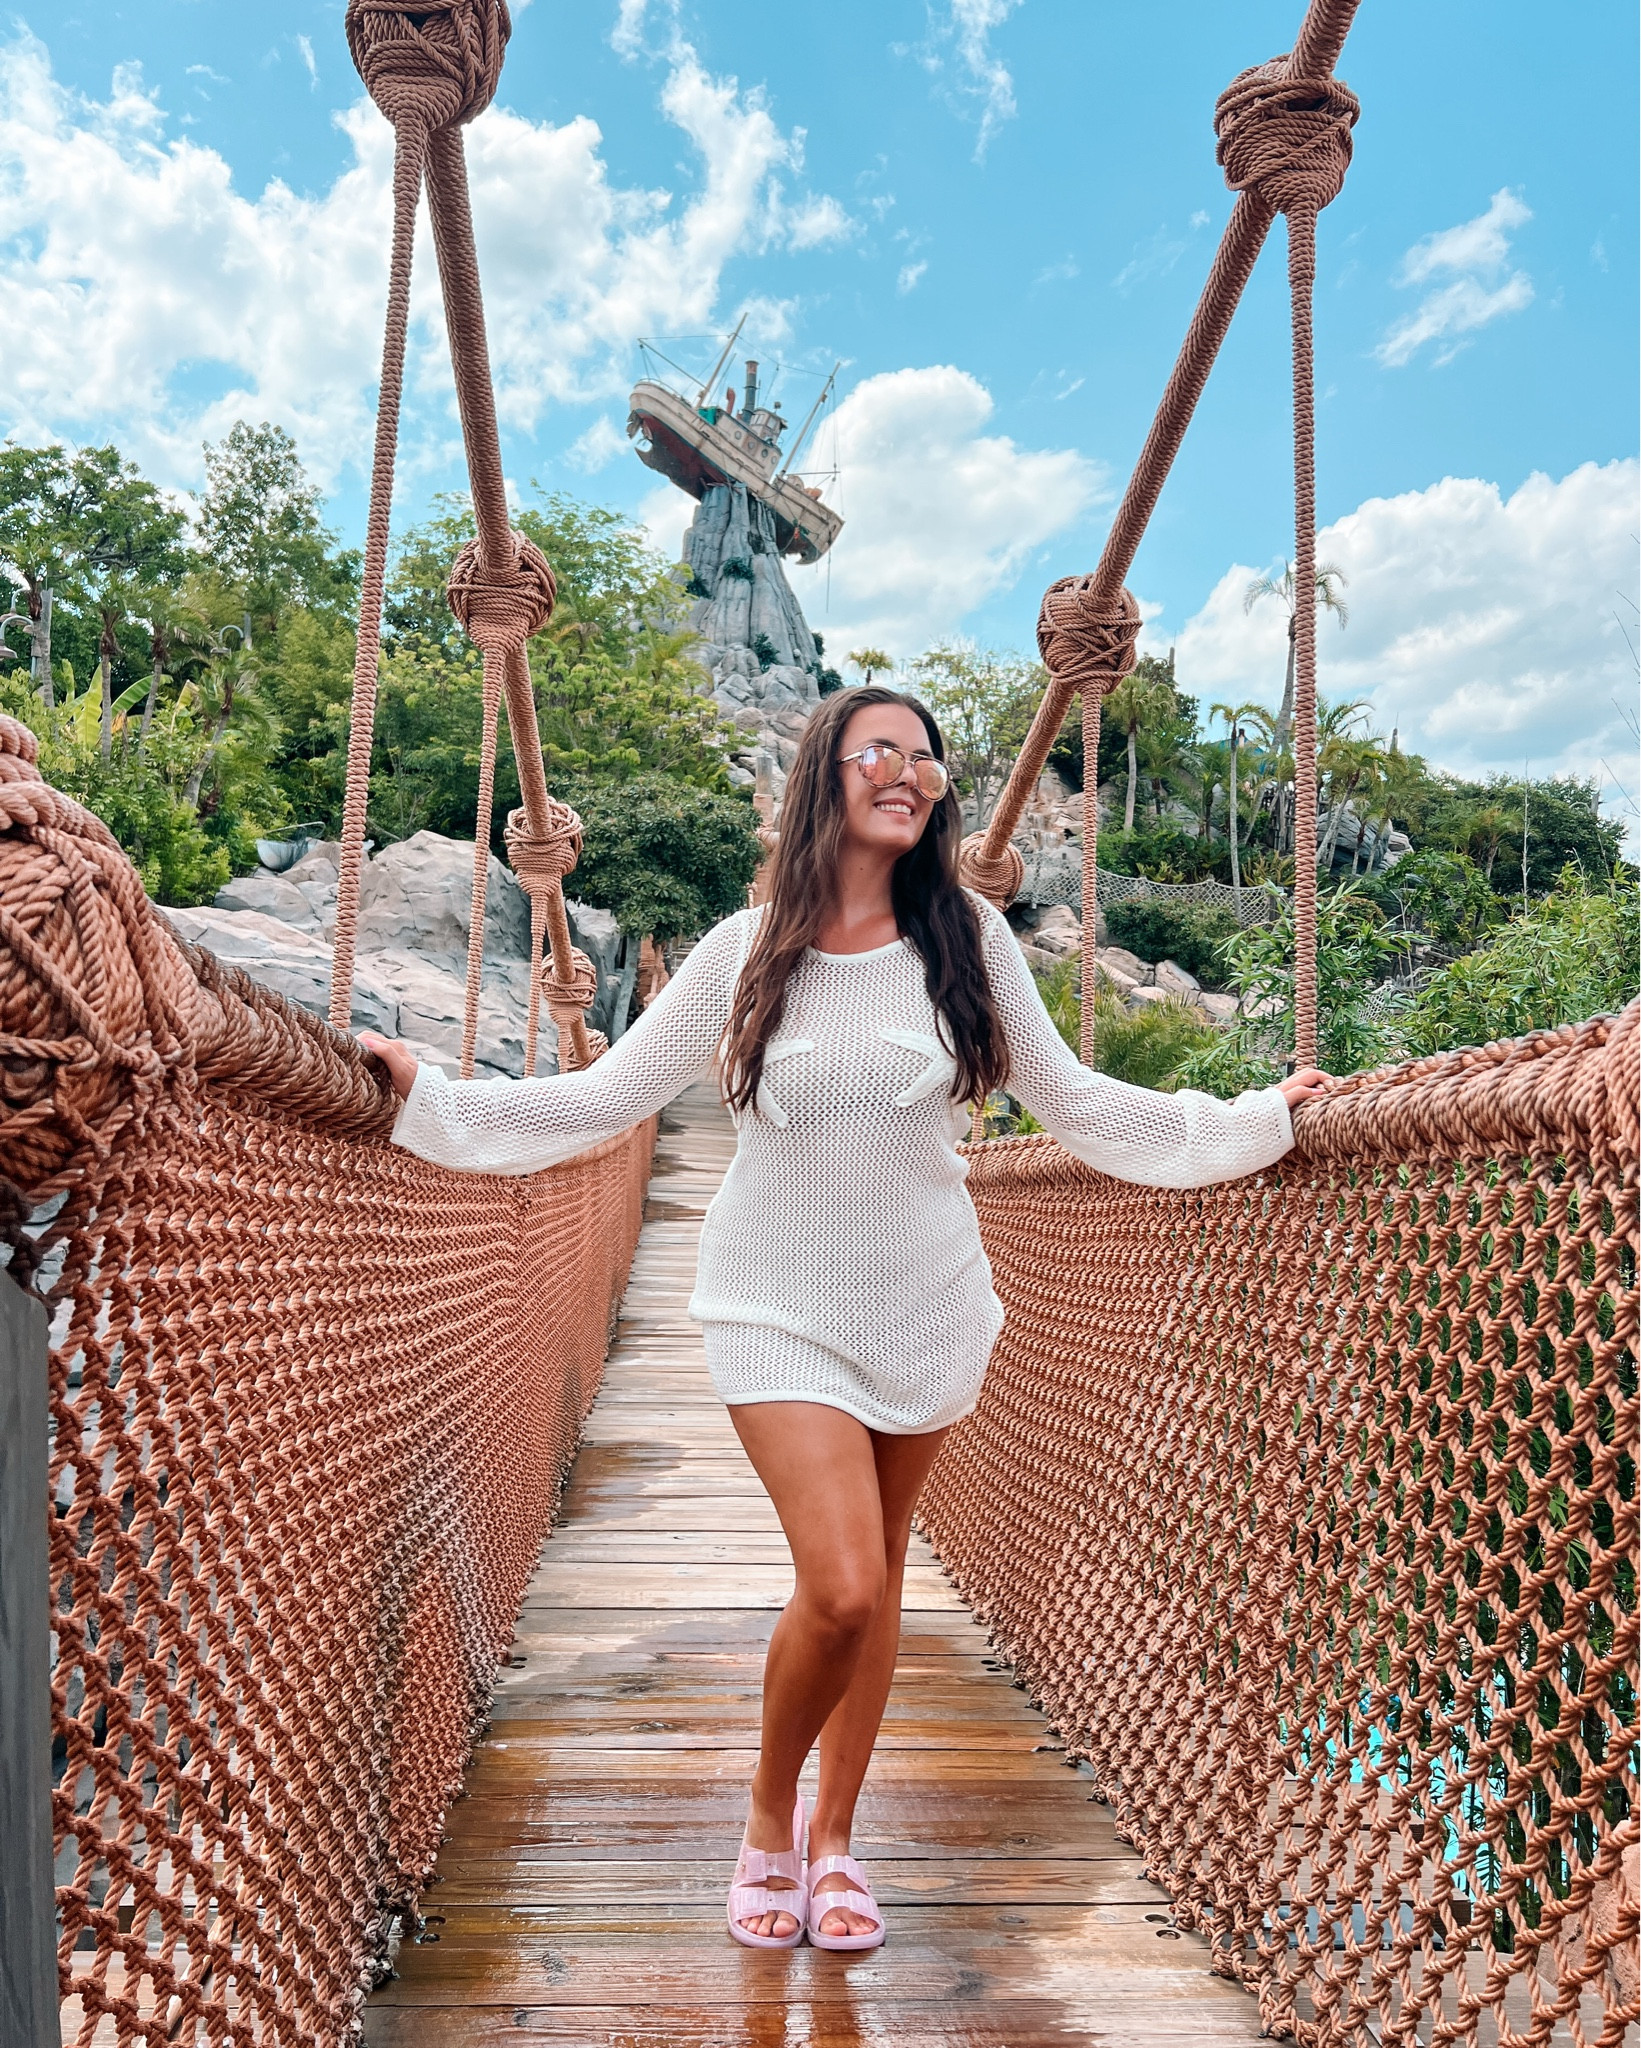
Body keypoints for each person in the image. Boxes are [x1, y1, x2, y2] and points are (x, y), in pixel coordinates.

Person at [361, 685, 1328, 1953]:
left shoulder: (966, 939)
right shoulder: (743, 949)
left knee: (871, 1597)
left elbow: (1080, 1104)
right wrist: (428, 1094)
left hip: (928, 1306)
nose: (910, 773)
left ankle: (835, 1842)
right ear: (829, 769)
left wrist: (1258, 1120)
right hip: (773, 1302)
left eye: (927, 759)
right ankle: (770, 1819)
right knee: (844, 1580)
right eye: (882, 749)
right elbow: (598, 1100)